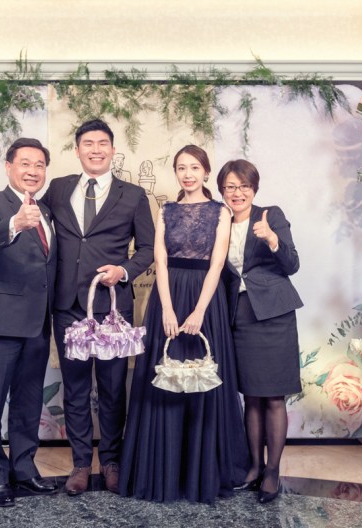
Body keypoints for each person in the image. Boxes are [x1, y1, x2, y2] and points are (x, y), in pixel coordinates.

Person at [119, 145, 248, 504]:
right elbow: (159, 261)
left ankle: (200, 474)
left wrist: (198, 312)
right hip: (168, 296)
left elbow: (217, 264)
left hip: (205, 301)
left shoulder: (221, 211)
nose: (187, 174)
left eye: (194, 167)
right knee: (165, 382)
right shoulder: (166, 210)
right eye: (181, 168)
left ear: (206, 172)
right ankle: (164, 472)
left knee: (202, 381)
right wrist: (167, 310)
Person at [40, 119, 155, 495]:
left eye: (102, 143)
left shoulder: (133, 195)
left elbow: (149, 249)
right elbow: (40, 231)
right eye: (88, 143)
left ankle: (110, 461)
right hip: (67, 305)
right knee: (74, 388)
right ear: (77, 150)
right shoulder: (58, 189)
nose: (95, 149)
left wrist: (124, 270)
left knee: (112, 389)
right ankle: (79, 464)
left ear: (113, 149)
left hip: (111, 309)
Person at [0, 138, 59, 507]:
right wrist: (14, 224)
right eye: (25, 163)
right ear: (9, 166)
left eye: (39, 165)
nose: (32, 171)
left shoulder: (47, 210)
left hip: (37, 324)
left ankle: (23, 470)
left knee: (27, 403)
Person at [218, 159, 303, 504]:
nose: (237, 193)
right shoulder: (220, 222)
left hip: (274, 316)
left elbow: (292, 264)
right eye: (230, 187)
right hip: (239, 316)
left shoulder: (271, 215)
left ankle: (273, 471)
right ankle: (254, 466)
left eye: (243, 186)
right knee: (250, 396)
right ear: (222, 191)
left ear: (254, 188)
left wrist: (271, 239)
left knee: (273, 397)